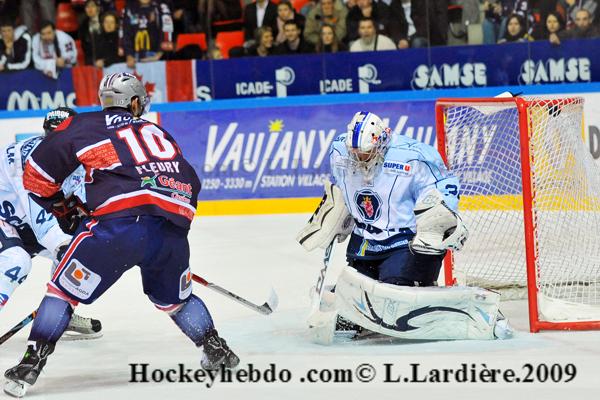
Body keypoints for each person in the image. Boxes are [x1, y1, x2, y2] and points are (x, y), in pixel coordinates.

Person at [3, 73, 239, 398]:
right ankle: (217, 350)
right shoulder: (159, 132)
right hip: (169, 230)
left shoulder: (85, 125)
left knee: (62, 293)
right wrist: (165, 229)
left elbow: (38, 176)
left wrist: (62, 208)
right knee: (176, 301)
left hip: (116, 228)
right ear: (134, 101)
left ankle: (29, 365)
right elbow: (190, 184)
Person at [297, 111, 512, 343]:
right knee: (355, 296)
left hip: (407, 241)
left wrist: (437, 220)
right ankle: (378, 312)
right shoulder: (339, 151)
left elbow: (445, 184)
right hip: (365, 240)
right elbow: (339, 183)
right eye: (355, 153)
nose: (359, 159)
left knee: (394, 293)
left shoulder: (413, 156)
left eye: (365, 153)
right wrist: (336, 210)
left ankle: (451, 301)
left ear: (380, 143)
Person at [0, 107, 102, 340]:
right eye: (53, 136)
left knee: (78, 246)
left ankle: (59, 311)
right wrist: (66, 246)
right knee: (16, 261)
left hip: (23, 225)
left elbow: (89, 206)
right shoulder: (28, 160)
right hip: (7, 220)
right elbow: (42, 221)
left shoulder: (81, 159)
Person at [122, 0, 174, 69]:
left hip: (156, 55)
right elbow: (126, 33)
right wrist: (129, 54)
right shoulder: (129, 8)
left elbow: (167, 29)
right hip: (135, 56)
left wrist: (159, 53)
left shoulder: (161, 7)